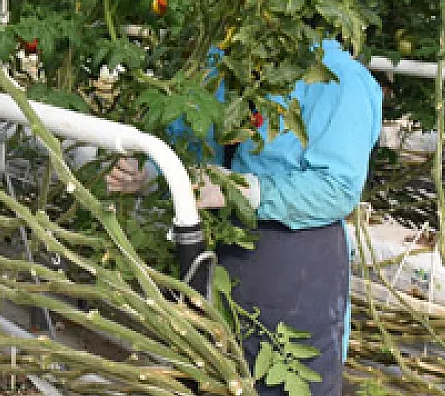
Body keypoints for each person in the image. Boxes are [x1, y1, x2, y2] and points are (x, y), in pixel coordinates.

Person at [106, 38, 382, 396]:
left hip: (291, 260)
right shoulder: (214, 63)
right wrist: (151, 175)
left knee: (284, 381)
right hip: (208, 248)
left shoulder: (338, 79)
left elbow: (337, 188)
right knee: (207, 370)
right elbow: (187, 149)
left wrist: (243, 190)